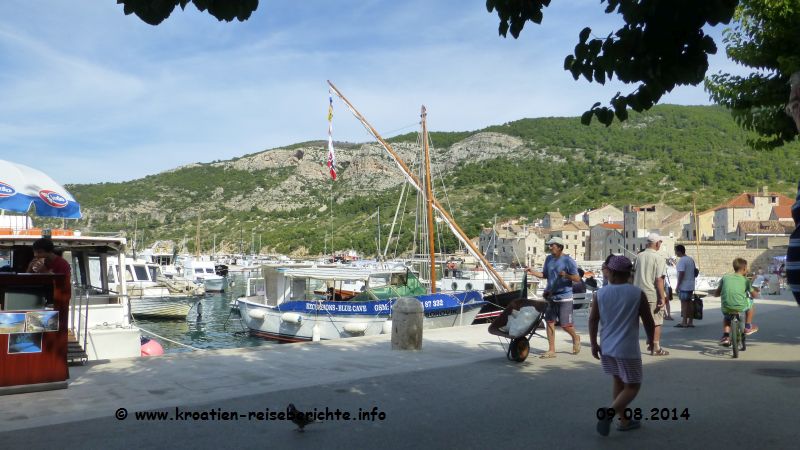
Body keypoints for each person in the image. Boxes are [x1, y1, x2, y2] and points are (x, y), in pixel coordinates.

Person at [589, 255, 655, 436]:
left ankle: (625, 421)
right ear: (628, 274)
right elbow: (648, 320)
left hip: (608, 348)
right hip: (627, 350)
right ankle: (609, 414)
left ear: (611, 272)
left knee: (618, 381)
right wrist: (651, 340)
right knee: (633, 386)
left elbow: (593, 320)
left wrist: (594, 344)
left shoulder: (600, 294)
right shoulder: (637, 294)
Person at [527, 236, 582, 358]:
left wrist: (566, 275)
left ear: (560, 247)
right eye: (549, 245)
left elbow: (577, 279)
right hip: (550, 297)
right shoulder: (548, 259)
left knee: (565, 325)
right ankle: (551, 350)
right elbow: (544, 275)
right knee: (550, 322)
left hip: (565, 298)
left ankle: (575, 337)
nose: (550, 247)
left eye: (552, 245)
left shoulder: (569, 261)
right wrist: (532, 271)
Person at [632, 233, 669, 356]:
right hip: (651, 294)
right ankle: (655, 347)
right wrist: (662, 298)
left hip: (636, 293)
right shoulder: (659, 258)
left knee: (636, 321)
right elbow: (659, 280)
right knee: (656, 321)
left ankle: (638, 345)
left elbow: (632, 275)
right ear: (657, 243)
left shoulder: (638, 256)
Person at [715, 258, 759, 346]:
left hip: (726, 307)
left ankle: (726, 336)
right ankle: (747, 327)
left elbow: (717, 293)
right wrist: (756, 292)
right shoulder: (746, 280)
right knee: (751, 303)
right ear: (744, 268)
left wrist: (716, 294)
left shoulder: (725, 277)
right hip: (740, 307)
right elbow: (754, 295)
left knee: (727, 318)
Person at [674, 245, 697, 328]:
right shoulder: (690, 260)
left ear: (679, 251)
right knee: (690, 303)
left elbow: (681, 273)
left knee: (684, 304)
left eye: (675, 251)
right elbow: (695, 272)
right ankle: (690, 322)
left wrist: (677, 285)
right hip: (691, 285)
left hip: (684, 285)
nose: (675, 253)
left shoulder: (682, 261)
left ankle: (684, 322)